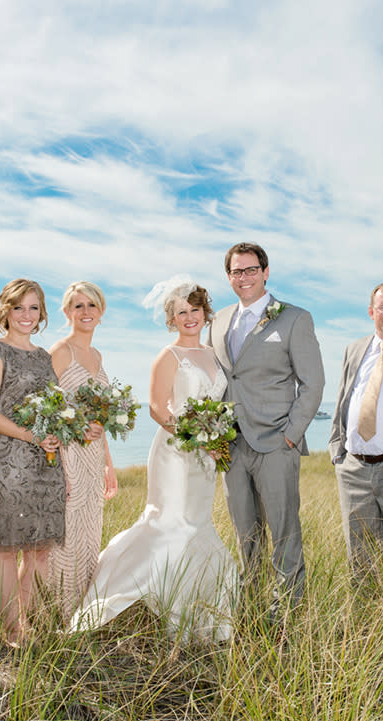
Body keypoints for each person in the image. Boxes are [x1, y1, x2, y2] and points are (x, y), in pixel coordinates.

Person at [71, 278, 235, 640]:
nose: (189, 317)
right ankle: (117, 592)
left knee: (197, 524)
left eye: (195, 310)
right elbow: (158, 409)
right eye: (181, 312)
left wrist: (215, 439)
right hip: (176, 453)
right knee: (169, 523)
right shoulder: (168, 356)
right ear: (171, 319)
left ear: (205, 313)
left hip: (205, 458)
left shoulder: (214, 355)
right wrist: (197, 437)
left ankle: (193, 607)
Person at [209, 242, 325, 618]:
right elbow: (218, 380)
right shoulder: (218, 321)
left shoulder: (294, 318)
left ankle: (287, 612)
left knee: (284, 531)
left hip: (276, 443)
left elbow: (313, 384)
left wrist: (290, 435)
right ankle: (252, 606)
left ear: (266, 272)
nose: (244, 277)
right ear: (229, 277)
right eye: (236, 271)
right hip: (231, 444)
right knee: (245, 532)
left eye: (251, 270)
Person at [0, 279, 66, 645]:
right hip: (9, 463)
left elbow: (54, 409)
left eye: (33, 308)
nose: (26, 315)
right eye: (18, 307)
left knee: (41, 549)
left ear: (41, 313)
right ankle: (12, 632)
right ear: (6, 311)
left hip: (47, 462)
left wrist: (57, 436)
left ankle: (28, 623)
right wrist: (30, 436)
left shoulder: (44, 357)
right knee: (8, 548)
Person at [327, 281, 383, 595]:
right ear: (371, 312)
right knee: (361, 560)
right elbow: (343, 398)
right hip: (354, 470)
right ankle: (369, 619)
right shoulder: (355, 349)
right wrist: (337, 450)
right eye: (382, 307)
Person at [49, 281, 119, 615]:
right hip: (67, 456)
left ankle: (79, 614)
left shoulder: (97, 355)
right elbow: (44, 411)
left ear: (101, 312)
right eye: (78, 305)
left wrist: (108, 464)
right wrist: (57, 465)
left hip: (93, 459)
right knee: (64, 538)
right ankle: (53, 613)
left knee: (89, 535)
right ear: (67, 312)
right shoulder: (61, 352)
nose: (86, 311)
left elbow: (100, 418)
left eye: (92, 305)